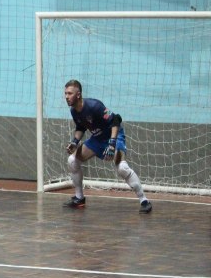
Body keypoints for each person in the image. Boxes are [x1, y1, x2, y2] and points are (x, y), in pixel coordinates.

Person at [63, 79, 152, 213]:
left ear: (78, 95)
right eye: (65, 93)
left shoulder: (94, 106)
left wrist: (111, 144)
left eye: (69, 93)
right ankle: (79, 198)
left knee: (122, 168)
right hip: (97, 139)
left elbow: (116, 120)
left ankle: (144, 201)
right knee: (72, 160)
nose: (66, 97)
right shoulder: (74, 111)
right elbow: (80, 127)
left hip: (113, 136)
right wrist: (74, 142)